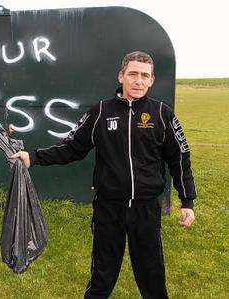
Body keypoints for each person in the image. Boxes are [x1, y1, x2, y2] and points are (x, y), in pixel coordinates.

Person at [10, 51, 196, 299]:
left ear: (152, 80)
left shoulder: (162, 114)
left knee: (152, 277)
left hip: (146, 209)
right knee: (102, 276)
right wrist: (33, 157)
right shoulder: (100, 112)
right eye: (132, 74)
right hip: (108, 208)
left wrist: (187, 201)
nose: (138, 80)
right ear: (121, 76)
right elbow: (72, 148)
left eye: (144, 75)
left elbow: (179, 157)